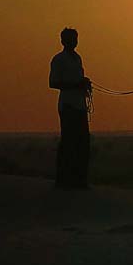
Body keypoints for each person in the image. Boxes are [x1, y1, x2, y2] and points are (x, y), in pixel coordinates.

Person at [49, 28, 92, 189]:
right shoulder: (58, 60)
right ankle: (63, 180)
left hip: (79, 105)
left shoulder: (77, 58)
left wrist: (83, 83)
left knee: (82, 142)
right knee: (68, 142)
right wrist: (76, 85)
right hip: (68, 105)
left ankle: (79, 180)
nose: (74, 41)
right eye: (71, 38)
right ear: (63, 41)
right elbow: (53, 82)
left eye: (75, 38)